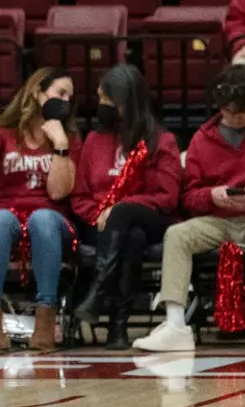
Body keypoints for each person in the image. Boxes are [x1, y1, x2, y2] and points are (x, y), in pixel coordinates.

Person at [133, 65, 245, 353]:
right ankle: (174, 325)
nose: (234, 119)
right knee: (178, 234)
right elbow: (188, 197)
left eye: (241, 113)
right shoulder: (202, 138)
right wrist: (212, 196)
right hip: (217, 219)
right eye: (228, 112)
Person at [68, 65, 182, 350]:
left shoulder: (161, 141)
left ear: (126, 102)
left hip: (153, 220)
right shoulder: (94, 141)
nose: (101, 106)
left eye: (107, 100)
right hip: (103, 227)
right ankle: (117, 328)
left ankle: (98, 292)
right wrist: (101, 215)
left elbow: (167, 197)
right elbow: (80, 196)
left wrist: (119, 208)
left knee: (125, 216)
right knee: (132, 238)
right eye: (99, 99)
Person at [0, 69, 80, 354]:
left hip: (52, 221)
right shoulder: (6, 133)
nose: (66, 100)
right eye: (60, 93)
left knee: (41, 218)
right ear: (37, 93)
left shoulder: (71, 137)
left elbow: (57, 192)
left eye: (70, 97)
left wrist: (61, 145)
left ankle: (45, 323)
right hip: (8, 216)